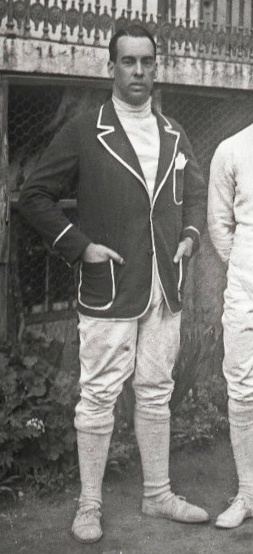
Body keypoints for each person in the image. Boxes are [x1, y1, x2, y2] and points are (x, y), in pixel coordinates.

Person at [18, 25, 208, 544]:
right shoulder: (86, 129)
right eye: (128, 62)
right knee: (98, 395)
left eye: (147, 62)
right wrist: (82, 247)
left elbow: (194, 195)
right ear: (110, 68)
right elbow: (33, 195)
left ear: (157, 66)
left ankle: (158, 494)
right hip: (109, 286)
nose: (139, 72)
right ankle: (89, 503)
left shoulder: (173, 133)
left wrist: (190, 236)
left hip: (164, 286)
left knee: (156, 391)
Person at [208, 125, 253, 528]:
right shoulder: (233, 149)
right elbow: (218, 222)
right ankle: (248, 493)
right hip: (245, 283)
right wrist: (241, 268)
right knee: (241, 383)